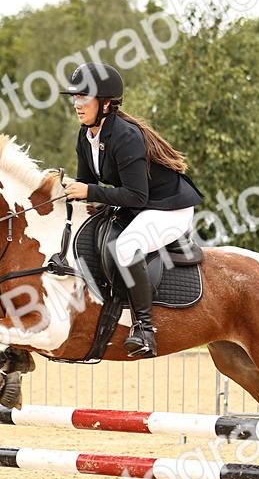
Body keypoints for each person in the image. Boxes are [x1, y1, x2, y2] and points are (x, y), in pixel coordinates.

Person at [60, 62, 203, 358]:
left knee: (127, 246)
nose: (77, 105)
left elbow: (137, 196)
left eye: (84, 98)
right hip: (137, 206)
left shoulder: (125, 136)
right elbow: (86, 184)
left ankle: (145, 329)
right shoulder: (86, 136)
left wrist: (88, 191)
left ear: (106, 103)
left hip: (167, 208)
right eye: (75, 98)